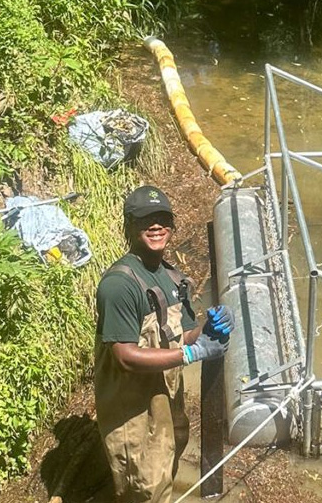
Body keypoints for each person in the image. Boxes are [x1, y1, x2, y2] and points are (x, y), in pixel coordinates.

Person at [94, 185, 234, 503]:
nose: (156, 226)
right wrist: (190, 353)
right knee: (146, 489)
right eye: (146, 220)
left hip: (166, 405)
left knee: (165, 472)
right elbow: (125, 356)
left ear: (171, 226)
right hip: (133, 412)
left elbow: (180, 335)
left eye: (162, 219)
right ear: (129, 226)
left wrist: (208, 330)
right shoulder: (119, 285)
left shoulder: (172, 277)